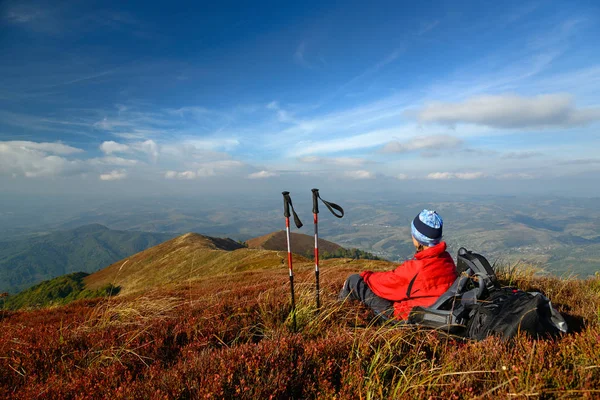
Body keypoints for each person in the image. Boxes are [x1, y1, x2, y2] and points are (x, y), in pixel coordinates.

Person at [339, 209, 457, 321]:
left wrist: (366, 276)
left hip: (406, 317)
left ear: (418, 238)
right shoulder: (447, 259)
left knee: (354, 281)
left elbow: (385, 284)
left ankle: (337, 316)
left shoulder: (416, 268)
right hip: (433, 314)